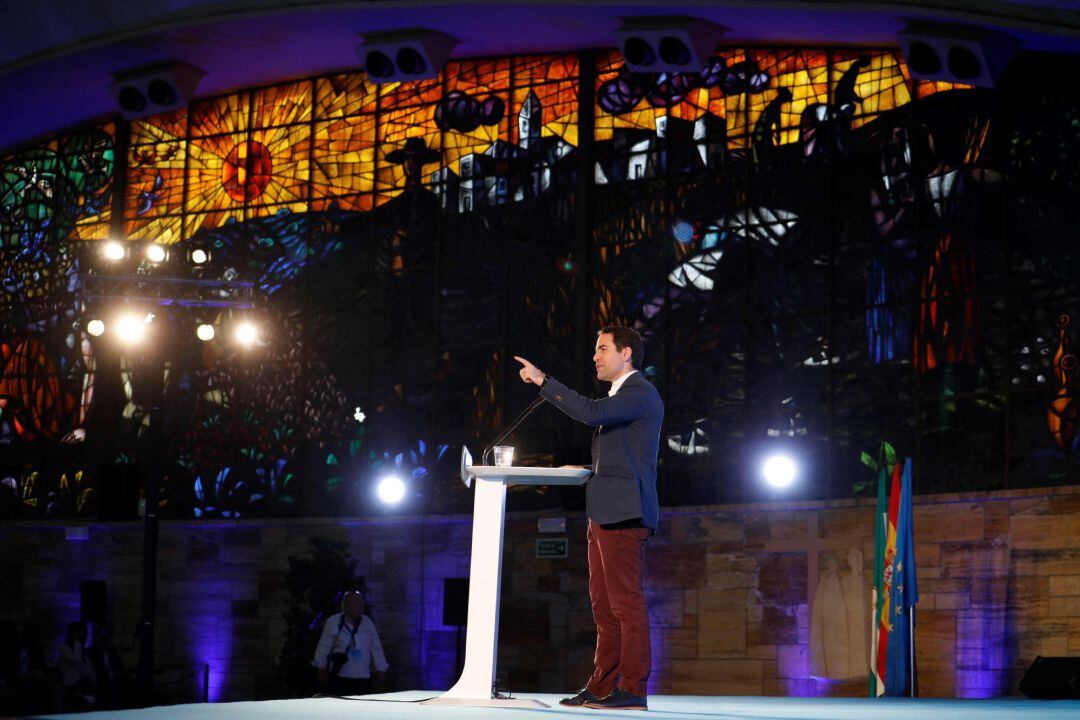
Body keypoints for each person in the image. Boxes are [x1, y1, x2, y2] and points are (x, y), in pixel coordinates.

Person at [514, 325, 663, 711]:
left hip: (625, 513)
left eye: (602, 349)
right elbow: (621, 457)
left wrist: (544, 381)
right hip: (605, 512)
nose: (595, 356)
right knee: (602, 606)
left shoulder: (639, 392)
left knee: (625, 605)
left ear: (626, 353)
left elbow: (589, 411)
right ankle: (601, 686)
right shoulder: (624, 396)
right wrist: (582, 467)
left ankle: (632, 689)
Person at [312, 591, 388, 696]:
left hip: (363, 678)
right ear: (344, 606)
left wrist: (381, 670)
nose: (357, 607)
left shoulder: (367, 623)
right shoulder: (333, 621)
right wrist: (321, 668)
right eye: (352, 603)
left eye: (360, 603)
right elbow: (323, 646)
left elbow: (376, 648)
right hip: (340, 677)